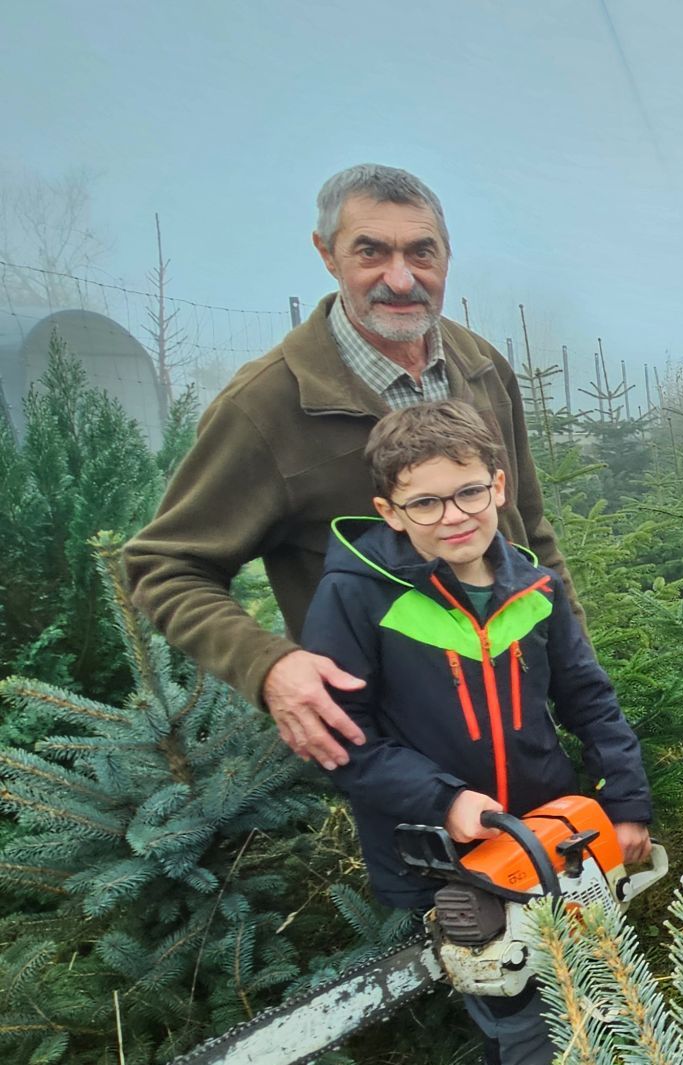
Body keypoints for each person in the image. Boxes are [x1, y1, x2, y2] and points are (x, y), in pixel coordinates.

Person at [299, 399, 652, 1065]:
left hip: (549, 836)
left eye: (467, 493)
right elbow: (342, 744)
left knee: (593, 986)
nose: (452, 517)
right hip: (444, 855)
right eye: (425, 503)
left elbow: (586, 694)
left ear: (499, 485)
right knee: (516, 1023)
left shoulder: (531, 580)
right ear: (389, 510)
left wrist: (628, 800)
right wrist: (444, 800)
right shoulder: (358, 594)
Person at [125, 163, 570, 772]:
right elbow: (165, 565)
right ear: (327, 255)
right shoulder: (266, 405)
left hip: (520, 730)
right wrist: (271, 667)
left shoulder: (482, 367)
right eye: (371, 251)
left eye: (421, 252)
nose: (400, 277)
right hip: (390, 758)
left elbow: (530, 533)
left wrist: (576, 681)